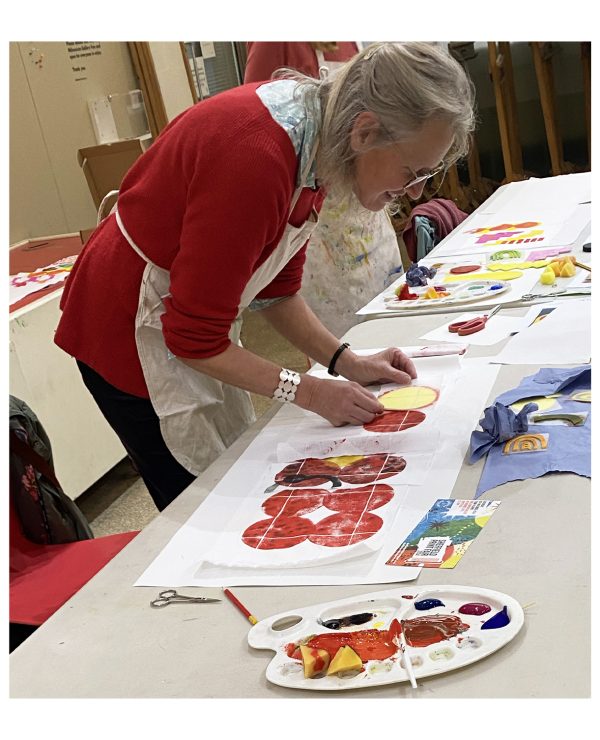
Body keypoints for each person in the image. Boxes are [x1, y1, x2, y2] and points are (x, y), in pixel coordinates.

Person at [54, 42, 475, 511]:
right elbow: (193, 338)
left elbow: (275, 289)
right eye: (413, 170)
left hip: (185, 317)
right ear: (365, 132)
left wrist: (346, 361)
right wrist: (310, 390)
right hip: (125, 328)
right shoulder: (257, 158)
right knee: (199, 500)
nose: (415, 190)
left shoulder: (320, 145)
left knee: (231, 465)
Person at [244, 41, 404, 337]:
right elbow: (259, 127)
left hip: (367, 216)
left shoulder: (354, 38)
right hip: (318, 220)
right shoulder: (276, 41)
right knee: (339, 342)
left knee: (393, 324)